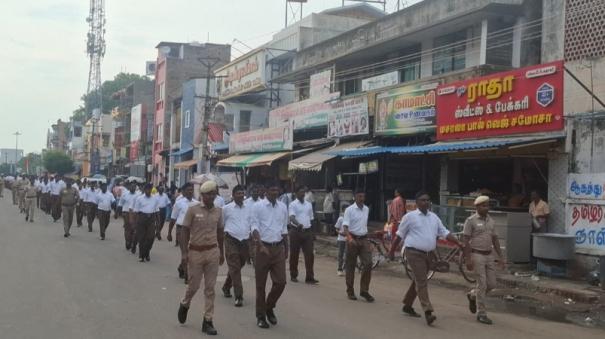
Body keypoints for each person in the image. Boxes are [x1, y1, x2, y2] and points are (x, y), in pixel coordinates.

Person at [391, 191, 462, 326]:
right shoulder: (409, 217)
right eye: (423, 200)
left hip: (429, 254)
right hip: (413, 252)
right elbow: (399, 235)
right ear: (417, 203)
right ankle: (428, 311)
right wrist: (391, 251)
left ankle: (407, 305)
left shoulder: (434, 217)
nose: (426, 202)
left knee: (418, 279)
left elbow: (444, 232)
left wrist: (458, 243)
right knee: (422, 281)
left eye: (428, 200)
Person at [177, 181, 224, 336]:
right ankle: (185, 303)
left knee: (210, 288)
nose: (211, 196)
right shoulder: (192, 210)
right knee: (194, 285)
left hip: (212, 252)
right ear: (202, 195)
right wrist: (184, 253)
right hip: (195, 252)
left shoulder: (218, 211)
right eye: (208, 194)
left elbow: (220, 232)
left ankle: (208, 320)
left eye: (213, 193)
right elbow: (184, 231)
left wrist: (221, 252)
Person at [250, 182, 289, 329]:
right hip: (263, 248)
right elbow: (254, 226)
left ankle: (269, 306)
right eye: (271, 189)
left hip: (278, 247)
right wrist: (260, 245)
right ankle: (261, 316)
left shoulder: (283, 207)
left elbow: (284, 228)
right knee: (260, 285)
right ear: (265, 191)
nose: (274, 192)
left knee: (281, 282)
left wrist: (287, 248)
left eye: (276, 189)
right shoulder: (257, 207)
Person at [463, 196, 505, 325]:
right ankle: (481, 313)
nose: (486, 208)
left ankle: (472, 295)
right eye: (483, 205)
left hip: (489, 255)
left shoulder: (491, 221)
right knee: (482, 284)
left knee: (491, 284)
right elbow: (465, 240)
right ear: (477, 207)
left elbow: (495, 239)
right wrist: (468, 259)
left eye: (487, 205)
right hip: (477, 255)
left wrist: (501, 257)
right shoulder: (471, 221)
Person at [221, 185, 251, 307]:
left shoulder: (248, 208)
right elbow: (221, 225)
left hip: (244, 241)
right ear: (233, 195)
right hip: (231, 240)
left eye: (242, 193)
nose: (240, 195)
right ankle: (239, 296)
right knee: (235, 266)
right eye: (238, 193)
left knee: (239, 265)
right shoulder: (226, 209)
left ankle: (226, 286)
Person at [342, 189, 374, 302]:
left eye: (363, 196)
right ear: (355, 197)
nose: (362, 199)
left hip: (364, 239)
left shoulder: (366, 209)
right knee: (350, 265)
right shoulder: (349, 210)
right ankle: (350, 290)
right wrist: (349, 238)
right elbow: (345, 227)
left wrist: (368, 241)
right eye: (359, 196)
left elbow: (364, 225)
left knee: (368, 263)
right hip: (352, 239)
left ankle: (364, 290)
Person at [288, 186, 318, 284]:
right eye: (300, 192)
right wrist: (298, 224)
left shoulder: (308, 204)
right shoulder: (293, 204)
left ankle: (309, 277)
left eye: (304, 192)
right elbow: (291, 217)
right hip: (296, 231)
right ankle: (293, 274)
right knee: (294, 254)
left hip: (307, 231)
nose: (303, 194)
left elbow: (311, 219)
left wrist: (313, 233)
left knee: (310, 255)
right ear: (296, 193)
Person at [169, 183, 198, 282]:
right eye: (188, 190)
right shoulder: (179, 203)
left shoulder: (197, 203)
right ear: (184, 192)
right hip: (181, 230)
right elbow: (173, 218)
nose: (190, 192)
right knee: (185, 253)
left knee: (192, 253)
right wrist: (169, 233)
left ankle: (181, 267)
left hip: (193, 230)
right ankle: (187, 276)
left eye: (192, 190)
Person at [133, 183, 160, 262]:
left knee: (151, 237)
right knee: (141, 238)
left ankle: (147, 251)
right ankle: (141, 256)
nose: (148, 191)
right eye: (147, 189)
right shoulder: (139, 199)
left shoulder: (155, 199)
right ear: (144, 190)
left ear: (152, 190)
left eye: (150, 189)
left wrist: (158, 222)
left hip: (151, 219)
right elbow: (136, 212)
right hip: (142, 218)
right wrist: (135, 223)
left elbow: (157, 211)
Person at [387, 188, 407, 259]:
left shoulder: (394, 200)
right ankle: (401, 250)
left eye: (395, 192)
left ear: (398, 193)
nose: (394, 193)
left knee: (394, 236)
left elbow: (391, 212)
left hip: (395, 221)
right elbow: (404, 211)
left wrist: (389, 220)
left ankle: (393, 251)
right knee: (402, 236)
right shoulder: (403, 200)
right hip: (402, 221)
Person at [119, 182, 138, 252]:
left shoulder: (138, 195)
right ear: (129, 187)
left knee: (134, 229)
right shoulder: (125, 194)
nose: (133, 188)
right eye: (131, 186)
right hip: (126, 212)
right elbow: (120, 203)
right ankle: (128, 241)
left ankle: (133, 242)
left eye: (134, 187)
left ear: (136, 188)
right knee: (127, 228)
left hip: (134, 213)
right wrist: (118, 212)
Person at [334, 204, 349, 276]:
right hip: (341, 239)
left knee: (347, 255)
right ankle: (339, 269)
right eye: (346, 210)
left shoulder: (351, 219)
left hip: (348, 239)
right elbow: (336, 228)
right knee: (340, 254)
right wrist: (340, 232)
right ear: (343, 210)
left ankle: (345, 268)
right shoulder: (340, 219)